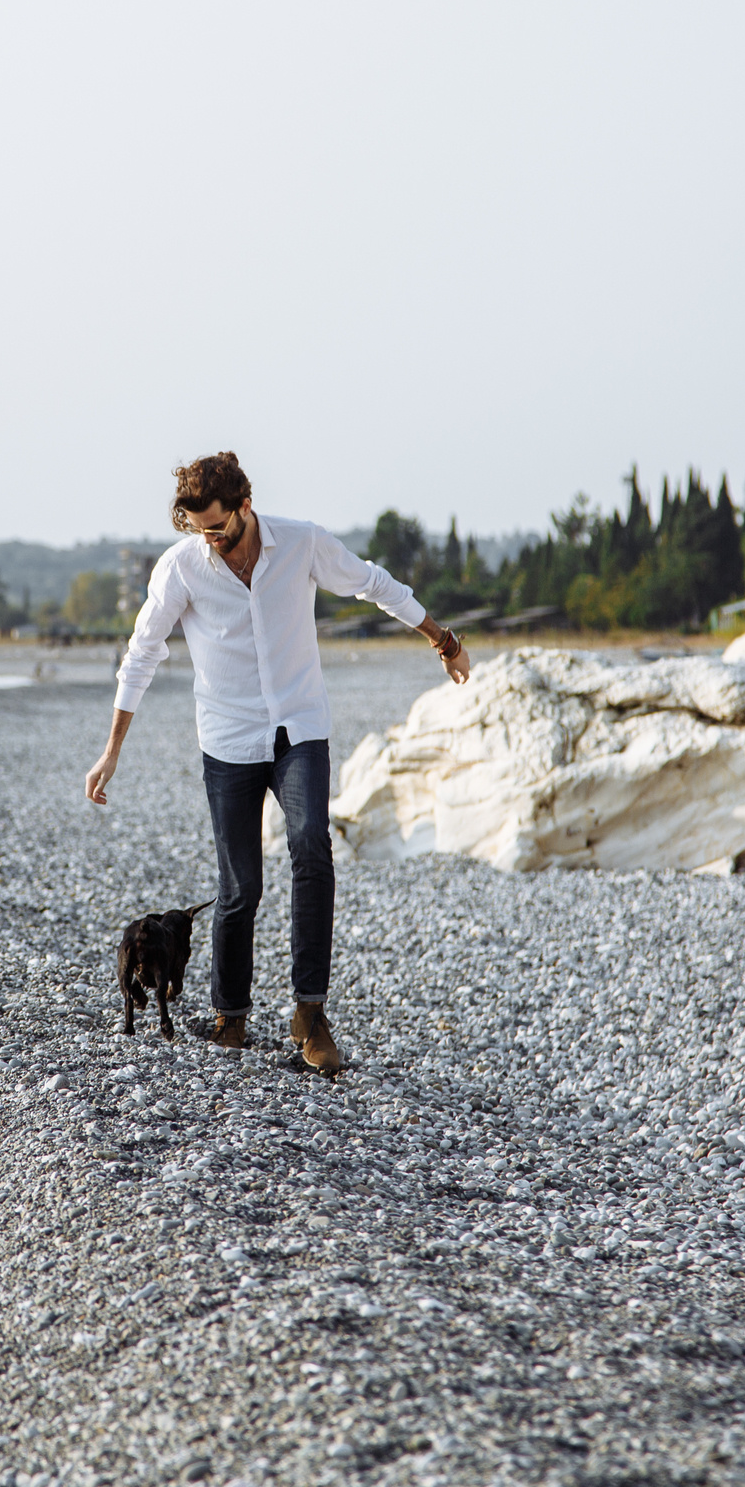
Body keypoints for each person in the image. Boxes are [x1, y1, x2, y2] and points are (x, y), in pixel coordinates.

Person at [82, 452, 470, 1074]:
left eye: (218, 527)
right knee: (240, 888)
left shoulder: (301, 543)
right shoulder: (181, 566)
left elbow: (373, 583)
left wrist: (442, 639)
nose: (211, 540)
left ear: (245, 505)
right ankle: (230, 1016)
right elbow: (143, 652)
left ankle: (310, 1015)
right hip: (227, 740)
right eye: (199, 530)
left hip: (299, 727)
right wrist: (111, 751)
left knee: (312, 845)